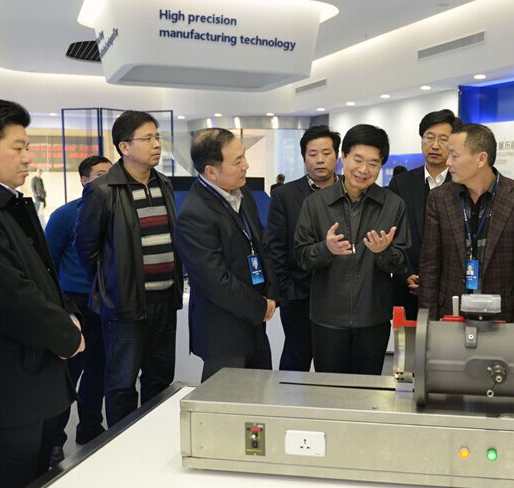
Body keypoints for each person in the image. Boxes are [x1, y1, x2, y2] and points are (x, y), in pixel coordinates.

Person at [0, 98, 84, 488]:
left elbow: (38, 276)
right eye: (18, 147)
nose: (29, 157)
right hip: (1, 395)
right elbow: (9, 295)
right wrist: (67, 335)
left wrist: (66, 315)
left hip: (27, 386)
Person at [75, 111, 183, 427]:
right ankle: (121, 443)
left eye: (157, 137)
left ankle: (153, 440)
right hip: (125, 306)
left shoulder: (164, 184)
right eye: (147, 138)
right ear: (124, 146)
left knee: (159, 381)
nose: (156, 144)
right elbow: (86, 249)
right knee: (122, 385)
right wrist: (111, 283)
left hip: (165, 301)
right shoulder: (102, 190)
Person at [295, 124, 410, 375]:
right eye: (358, 160)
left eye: (373, 163)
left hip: (373, 317)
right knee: (329, 389)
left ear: (381, 166)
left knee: (368, 389)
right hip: (327, 318)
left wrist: (383, 251)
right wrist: (326, 249)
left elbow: (402, 262)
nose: (364, 169)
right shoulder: (315, 203)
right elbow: (301, 258)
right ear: (344, 157)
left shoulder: (393, 205)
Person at [175, 128, 279, 382]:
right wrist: (260, 307)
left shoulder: (243, 195)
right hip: (223, 331)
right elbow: (216, 281)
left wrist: (272, 294)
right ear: (212, 171)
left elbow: (263, 247)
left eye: (244, 156)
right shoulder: (195, 213)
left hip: (254, 322)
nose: (246, 165)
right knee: (224, 399)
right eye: (237, 160)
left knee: (261, 393)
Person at [419, 123, 514, 322]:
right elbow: (429, 268)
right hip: (451, 314)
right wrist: (428, 324)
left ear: (481, 159)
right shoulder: (439, 198)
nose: (448, 162)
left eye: (454, 156)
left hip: (502, 318)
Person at [45, 155, 111, 460]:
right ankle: (54, 439)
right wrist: (60, 305)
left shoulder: (116, 214)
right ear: (84, 180)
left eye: (110, 173)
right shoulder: (64, 216)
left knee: (98, 371)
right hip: (75, 303)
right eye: (100, 174)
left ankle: (90, 427)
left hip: (107, 303)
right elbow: (47, 261)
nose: (107, 179)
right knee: (67, 375)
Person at [268, 125, 341, 371]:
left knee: (332, 367)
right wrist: (286, 290)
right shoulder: (285, 195)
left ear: (337, 155)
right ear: (303, 157)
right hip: (299, 297)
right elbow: (276, 248)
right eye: (313, 153)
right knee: (295, 362)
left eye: (326, 153)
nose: (320, 160)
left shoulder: (350, 191)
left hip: (340, 297)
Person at [388, 109, 462, 319]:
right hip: (408, 288)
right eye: (429, 137)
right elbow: (391, 233)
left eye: (443, 139)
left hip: (450, 291)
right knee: (409, 340)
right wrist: (405, 273)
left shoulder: (462, 184)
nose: (435, 145)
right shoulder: (401, 183)